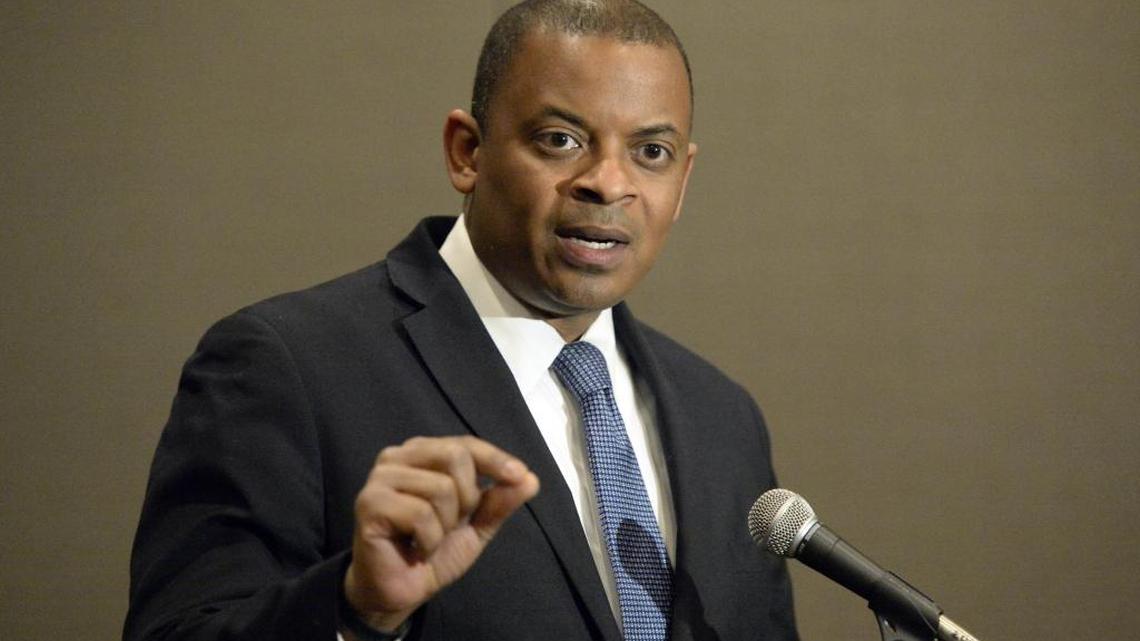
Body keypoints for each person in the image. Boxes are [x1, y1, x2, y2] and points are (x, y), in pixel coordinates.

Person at [124, 1, 799, 640]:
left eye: (650, 152)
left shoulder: (723, 419)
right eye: (561, 139)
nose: (608, 182)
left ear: (682, 180)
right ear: (466, 153)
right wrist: (358, 609)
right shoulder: (286, 367)